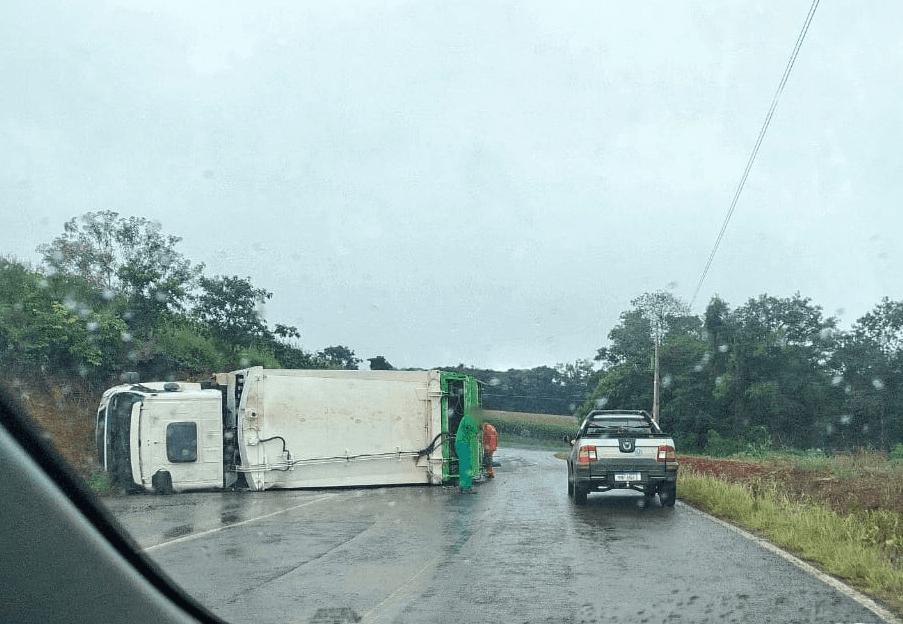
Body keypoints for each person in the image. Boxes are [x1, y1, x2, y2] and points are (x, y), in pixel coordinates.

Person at [454, 406, 480, 493]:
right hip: (463, 444)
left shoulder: (466, 418)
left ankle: (464, 485)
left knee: (464, 465)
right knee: (466, 465)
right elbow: (475, 430)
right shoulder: (470, 419)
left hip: (462, 443)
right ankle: (466, 487)